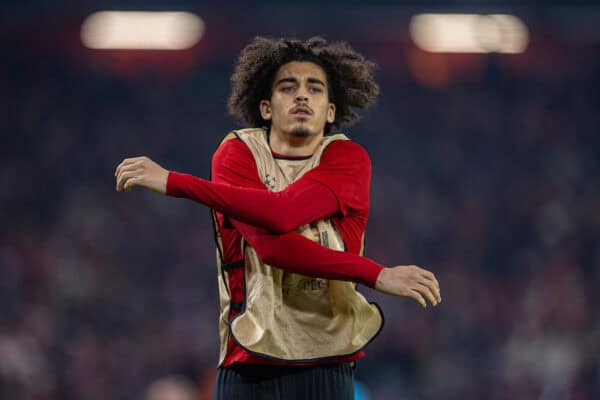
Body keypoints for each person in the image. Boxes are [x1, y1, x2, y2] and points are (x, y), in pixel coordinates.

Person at [115, 36, 441, 400]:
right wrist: (376, 273)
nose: (302, 95)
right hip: (248, 361)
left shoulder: (347, 159)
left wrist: (176, 183)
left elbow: (283, 213)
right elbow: (272, 247)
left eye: (314, 88)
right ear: (267, 108)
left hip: (328, 362)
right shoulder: (237, 154)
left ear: (330, 111)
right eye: (289, 87)